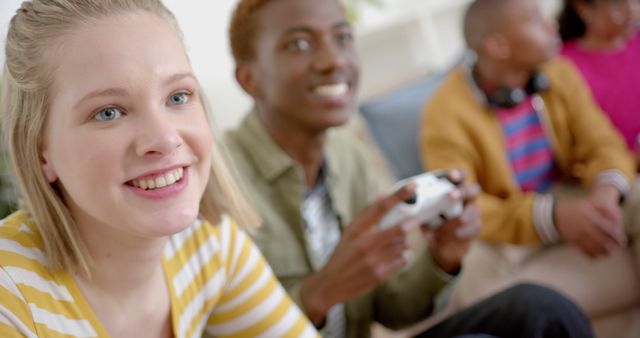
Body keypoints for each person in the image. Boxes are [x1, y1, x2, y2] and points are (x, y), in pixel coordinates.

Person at [224, 0, 595, 337]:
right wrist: (318, 296)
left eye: (342, 37)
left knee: (539, 308)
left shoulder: (348, 156)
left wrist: (443, 257)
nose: (334, 60)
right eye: (299, 44)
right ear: (249, 78)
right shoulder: (218, 185)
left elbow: (393, 308)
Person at [0, 1, 320, 337]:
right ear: (41, 152)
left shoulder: (207, 245)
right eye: (108, 112)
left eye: (178, 96)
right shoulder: (11, 300)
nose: (165, 139)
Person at [421, 0, 640, 331]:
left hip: (568, 193)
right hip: (507, 224)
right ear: (498, 45)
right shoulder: (444, 112)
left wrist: (606, 194)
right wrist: (550, 217)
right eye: (536, 21)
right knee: (477, 280)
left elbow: (603, 143)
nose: (552, 25)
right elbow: (463, 206)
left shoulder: (559, 73)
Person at [559, 0, 640, 167]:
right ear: (583, 8)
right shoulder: (564, 66)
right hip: (606, 170)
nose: (631, 11)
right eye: (618, 4)